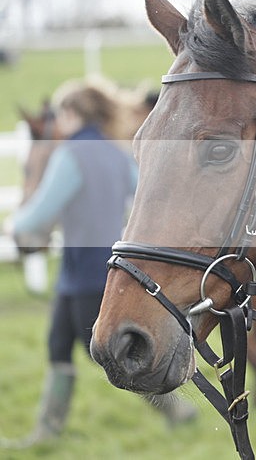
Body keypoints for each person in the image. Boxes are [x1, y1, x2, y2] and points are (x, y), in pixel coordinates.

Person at [3, 80, 195, 447]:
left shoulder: (70, 155)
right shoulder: (115, 152)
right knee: (59, 342)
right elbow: (144, 196)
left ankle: (174, 409)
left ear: (73, 114)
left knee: (102, 351)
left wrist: (15, 225)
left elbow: (41, 210)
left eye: (61, 114)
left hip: (81, 272)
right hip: (106, 268)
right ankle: (47, 432)